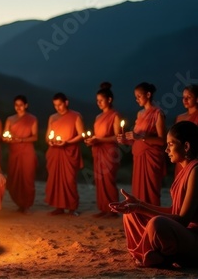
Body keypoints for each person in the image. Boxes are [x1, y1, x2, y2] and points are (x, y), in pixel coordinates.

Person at [110, 121, 198, 268]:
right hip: (181, 231)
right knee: (131, 215)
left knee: (158, 223)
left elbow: (182, 220)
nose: (166, 150)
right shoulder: (185, 170)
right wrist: (138, 204)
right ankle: (154, 254)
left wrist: (141, 208)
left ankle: (159, 256)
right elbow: (174, 211)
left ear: (186, 146)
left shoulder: (195, 170)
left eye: (170, 144)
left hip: (192, 237)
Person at [117, 82, 166, 206]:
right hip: (139, 156)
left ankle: (153, 219)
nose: (136, 99)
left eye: (139, 96)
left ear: (148, 94)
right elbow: (136, 139)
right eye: (135, 96)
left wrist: (140, 137)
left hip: (151, 157)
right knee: (138, 190)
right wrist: (125, 140)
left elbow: (162, 140)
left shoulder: (157, 113)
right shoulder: (140, 114)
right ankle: (140, 218)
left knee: (151, 190)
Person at [84, 83, 122, 218]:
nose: (98, 103)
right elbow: (97, 136)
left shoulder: (115, 115)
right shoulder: (98, 117)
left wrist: (99, 140)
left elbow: (118, 137)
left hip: (110, 152)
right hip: (98, 151)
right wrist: (91, 140)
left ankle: (113, 210)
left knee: (108, 180)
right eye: (97, 101)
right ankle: (103, 208)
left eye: (101, 100)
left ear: (109, 100)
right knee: (100, 180)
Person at [45, 93, 84, 216]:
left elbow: (81, 135)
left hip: (69, 152)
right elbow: (47, 136)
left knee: (69, 180)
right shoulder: (52, 117)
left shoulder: (76, 116)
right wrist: (50, 141)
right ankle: (59, 206)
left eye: (60, 104)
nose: (58, 107)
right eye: (55, 105)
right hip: (55, 152)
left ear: (66, 103)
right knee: (55, 179)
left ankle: (72, 207)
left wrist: (67, 142)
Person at [2, 95, 38, 213]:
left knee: (27, 178)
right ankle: (19, 203)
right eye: (16, 105)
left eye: (21, 105)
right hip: (14, 151)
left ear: (26, 105)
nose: (18, 107)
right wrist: (7, 139)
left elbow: (35, 136)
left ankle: (26, 204)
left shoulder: (32, 119)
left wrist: (21, 140)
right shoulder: (10, 119)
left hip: (27, 151)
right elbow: (5, 135)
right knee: (14, 178)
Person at [174, 84, 198, 177]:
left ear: (196, 98)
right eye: (184, 97)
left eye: (189, 97)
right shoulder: (180, 117)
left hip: (194, 156)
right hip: (181, 156)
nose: (185, 100)